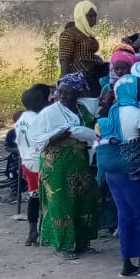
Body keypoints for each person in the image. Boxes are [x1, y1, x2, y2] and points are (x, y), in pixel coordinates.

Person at [33, 74, 99, 257]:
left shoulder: (83, 110)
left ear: (78, 94)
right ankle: (64, 245)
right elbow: (37, 138)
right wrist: (57, 137)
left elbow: (93, 129)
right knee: (61, 203)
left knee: (82, 201)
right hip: (56, 166)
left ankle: (82, 242)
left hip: (79, 164)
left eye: (68, 93)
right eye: (60, 92)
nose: (62, 96)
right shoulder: (50, 113)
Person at [95, 75, 140, 275]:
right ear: (131, 91)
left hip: (113, 172)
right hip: (133, 171)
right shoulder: (139, 115)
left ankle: (126, 262)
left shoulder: (112, 111)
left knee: (125, 215)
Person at [17, 84, 49, 244]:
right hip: (40, 162)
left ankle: (32, 232)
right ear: (39, 103)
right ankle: (45, 231)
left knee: (33, 196)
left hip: (27, 163)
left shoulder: (21, 119)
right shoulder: (38, 119)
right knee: (48, 197)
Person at [57, 1, 101, 78]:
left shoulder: (87, 33)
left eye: (95, 16)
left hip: (90, 74)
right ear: (81, 17)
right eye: (90, 16)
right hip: (76, 76)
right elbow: (64, 60)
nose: (94, 19)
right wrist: (65, 80)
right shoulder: (69, 34)